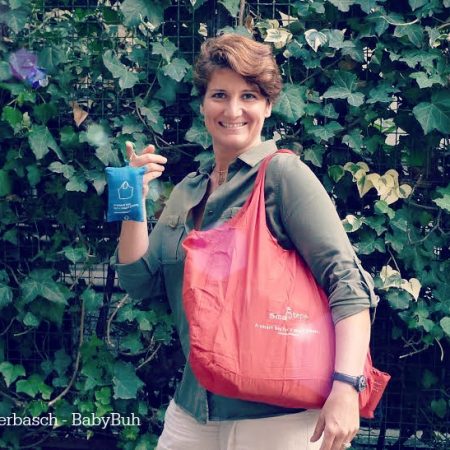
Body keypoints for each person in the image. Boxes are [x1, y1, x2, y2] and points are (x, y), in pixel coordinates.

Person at [113, 34, 378, 450]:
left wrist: (346, 387)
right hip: (194, 408)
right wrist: (131, 200)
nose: (233, 110)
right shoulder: (187, 189)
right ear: (203, 105)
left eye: (249, 96)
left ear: (268, 106)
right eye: (220, 95)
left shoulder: (283, 176)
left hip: (279, 417)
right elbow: (139, 282)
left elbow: (347, 283)